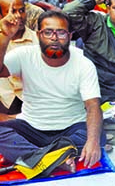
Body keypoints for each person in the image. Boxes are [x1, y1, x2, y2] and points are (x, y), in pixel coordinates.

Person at [0, 9, 103, 170]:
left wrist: (93, 141)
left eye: (61, 33)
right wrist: (5, 37)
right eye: (48, 32)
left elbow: (93, 106)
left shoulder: (83, 64)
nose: (54, 38)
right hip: (31, 127)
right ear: (38, 34)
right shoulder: (24, 55)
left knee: (96, 136)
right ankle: (55, 159)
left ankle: (34, 158)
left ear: (70, 36)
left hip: (71, 129)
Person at [0, 0, 37, 118]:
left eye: (21, 11)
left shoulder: (38, 40)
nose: (18, 16)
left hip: (31, 101)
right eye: (12, 11)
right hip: (4, 100)